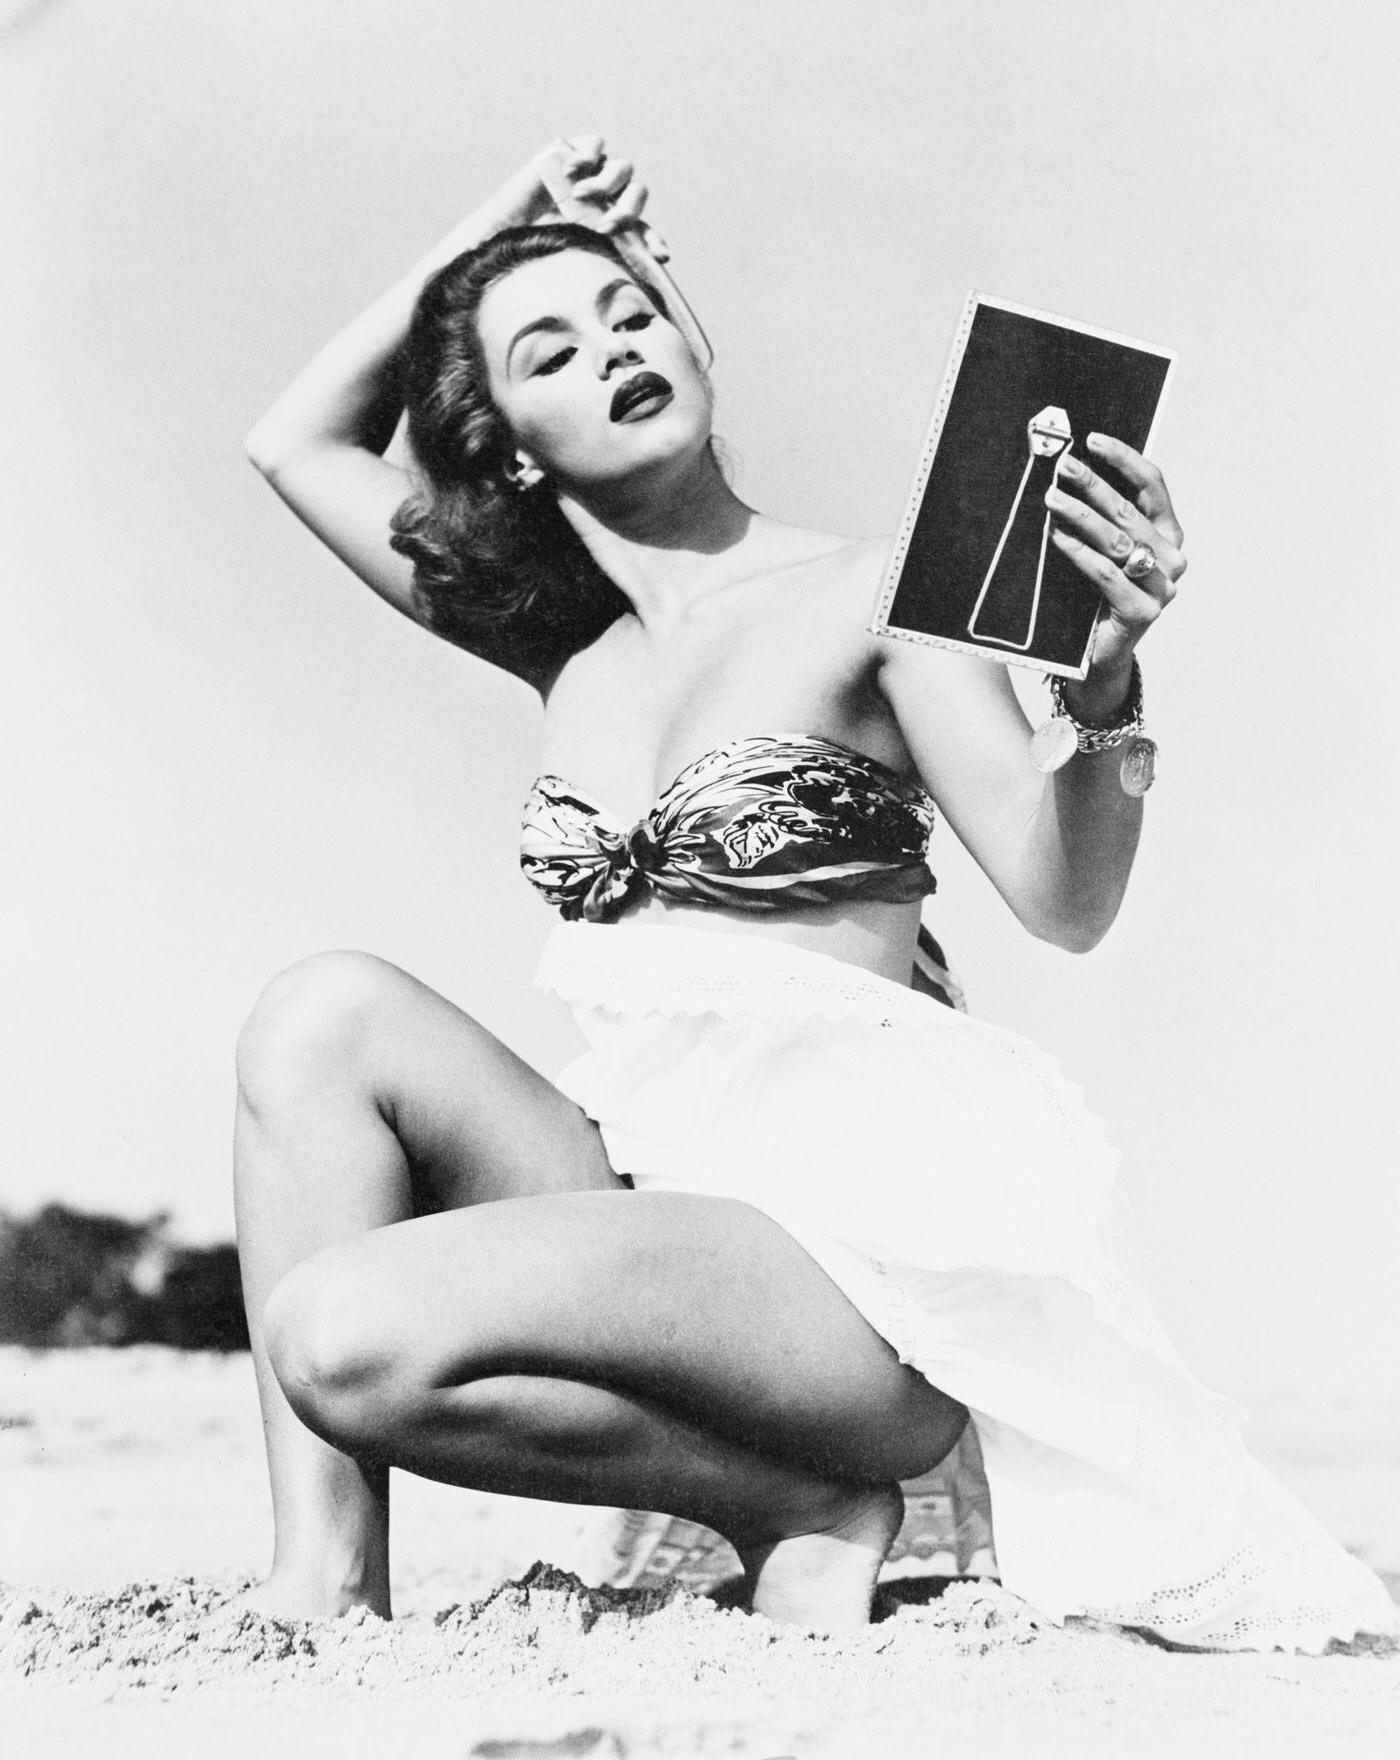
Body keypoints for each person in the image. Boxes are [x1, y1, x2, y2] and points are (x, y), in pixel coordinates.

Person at [236, 137, 1395, 1646]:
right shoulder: (556, 644)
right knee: (319, 1012)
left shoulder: (877, 595)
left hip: (847, 1254)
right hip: (646, 1201)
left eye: (635, 312)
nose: (618, 349)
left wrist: (1108, 688)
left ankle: (797, 1502)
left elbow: (1064, 897)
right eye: (554, 349)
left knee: (338, 1331)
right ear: (504, 442)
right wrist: (516, 219)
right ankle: (324, 1587)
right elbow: (293, 440)